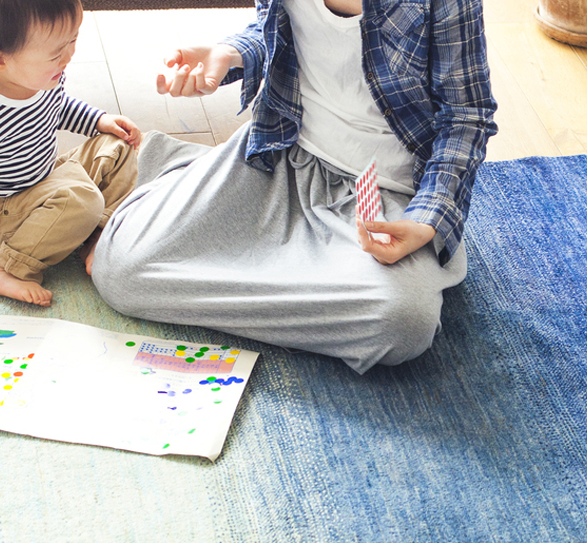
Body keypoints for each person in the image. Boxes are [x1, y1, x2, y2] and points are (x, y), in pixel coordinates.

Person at [90, 0, 497, 373]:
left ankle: (210, 222)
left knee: (402, 324)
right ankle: (301, 277)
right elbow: (277, 33)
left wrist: (427, 219)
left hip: (385, 195)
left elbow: (466, 116)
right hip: (279, 150)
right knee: (121, 273)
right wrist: (230, 53)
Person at [0, 0, 141, 307]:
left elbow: (57, 107)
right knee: (81, 198)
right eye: (56, 53)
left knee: (119, 145)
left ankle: (96, 234)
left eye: (73, 40)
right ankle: (7, 270)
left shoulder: (44, 75)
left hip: (42, 178)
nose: (69, 57)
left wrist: (98, 120)